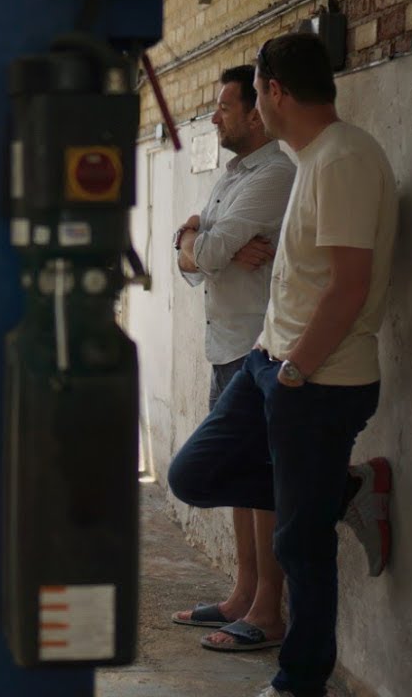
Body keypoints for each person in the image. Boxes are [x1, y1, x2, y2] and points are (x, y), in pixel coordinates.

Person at [166, 32, 398, 697]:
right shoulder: (314, 156)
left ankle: (300, 682)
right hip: (270, 365)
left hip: (317, 381)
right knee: (195, 472)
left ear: (273, 92)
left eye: (254, 94)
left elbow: (350, 285)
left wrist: (296, 370)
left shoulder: (344, 159)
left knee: (300, 545)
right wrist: (276, 364)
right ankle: (342, 492)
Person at [168, 65, 296, 655]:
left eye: (224, 106)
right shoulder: (232, 175)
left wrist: (196, 242)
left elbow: (204, 248)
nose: (214, 116)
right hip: (226, 345)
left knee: (262, 480)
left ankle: (268, 610)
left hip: (258, 346)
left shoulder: (274, 174)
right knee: (244, 480)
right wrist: (197, 247)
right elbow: (194, 259)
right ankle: (243, 592)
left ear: (255, 113)